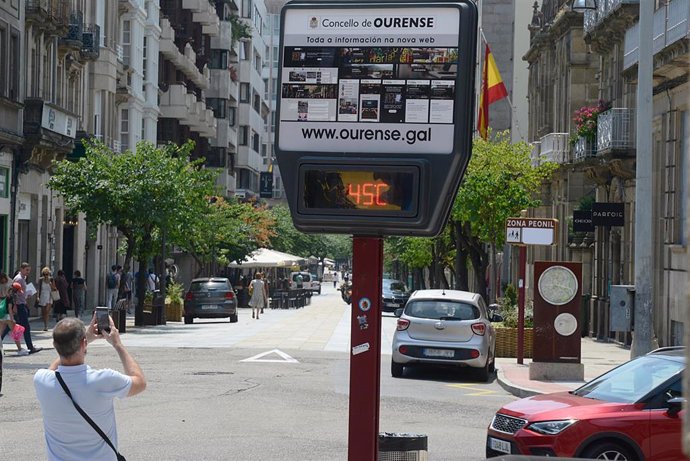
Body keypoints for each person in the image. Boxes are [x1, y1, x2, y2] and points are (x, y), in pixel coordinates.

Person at [34, 315, 146, 460]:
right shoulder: (104, 380)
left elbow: (54, 369)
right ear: (83, 344)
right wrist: (117, 344)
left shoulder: (41, 380)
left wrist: (83, 340)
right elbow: (140, 382)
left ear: (55, 345)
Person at [2, 263, 42, 354]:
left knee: (10, 326)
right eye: (27, 270)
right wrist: (15, 306)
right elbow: (14, 293)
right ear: (22, 269)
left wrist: (26, 295)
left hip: (21, 304)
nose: (28, 272)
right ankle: (30, 347)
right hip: (19, 305)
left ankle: (27, 346)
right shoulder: (19, 278)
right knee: (25, 327)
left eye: (29, 270)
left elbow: (20, 292)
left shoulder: (22, 278)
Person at [0, 281, 27, 355]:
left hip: (2, 316)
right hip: (8, 317)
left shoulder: (7, 295)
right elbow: (9, 308)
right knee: (16, 333)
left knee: (0, 334)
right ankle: (20, 349)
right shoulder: (12, 297)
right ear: (16, 290)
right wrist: (12, 319)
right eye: (18, 291)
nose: (19, 292)